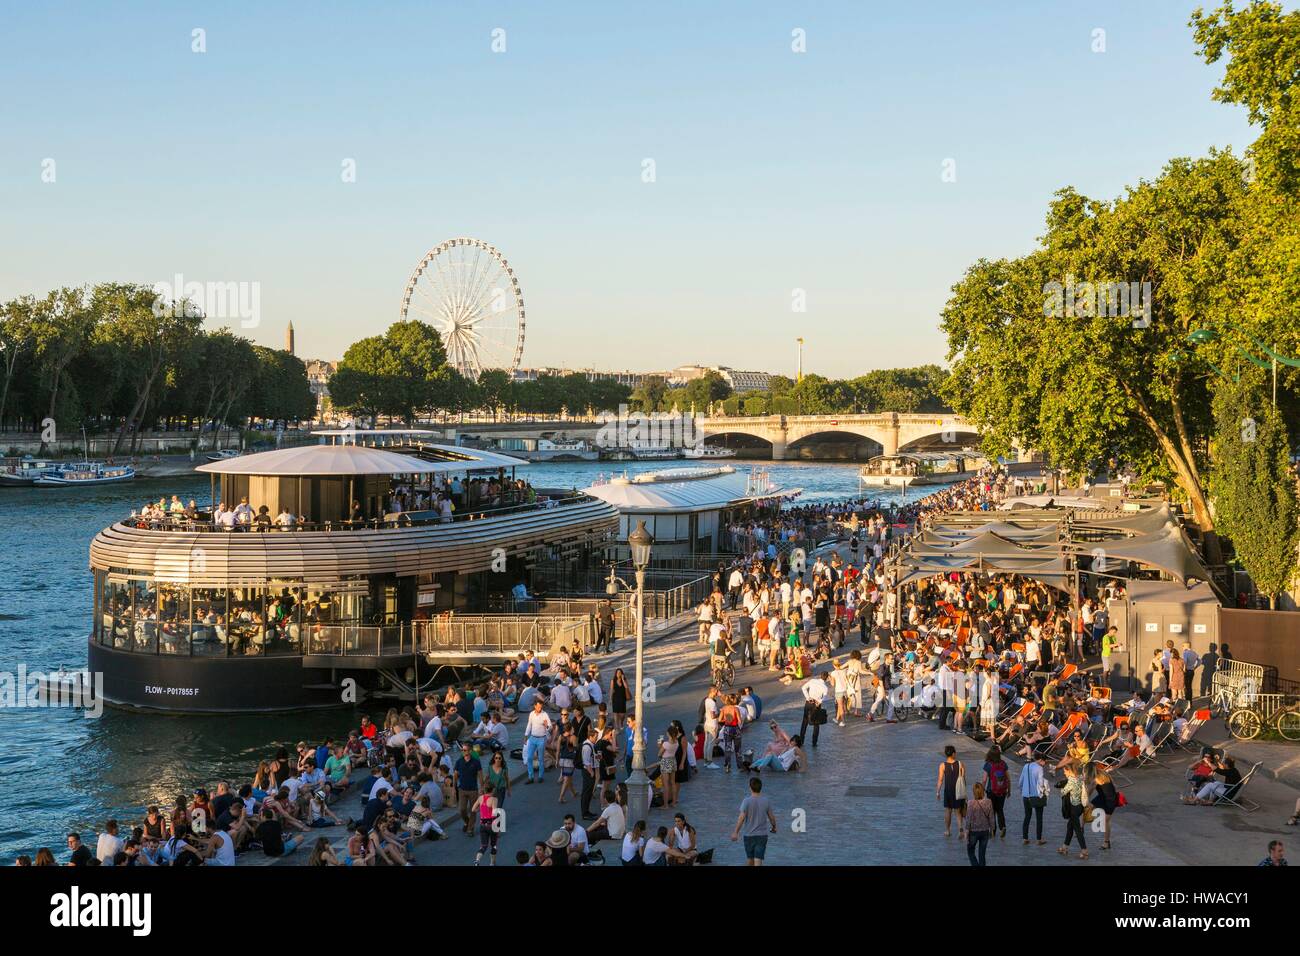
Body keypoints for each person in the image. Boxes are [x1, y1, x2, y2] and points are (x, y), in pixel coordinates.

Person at [731, 776, 777, 866]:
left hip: (749, 836)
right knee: (756, 860)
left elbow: (741, 818)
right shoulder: (766, 801)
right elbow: (772, 817)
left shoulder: (746, 801)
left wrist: (735, 832)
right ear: (760, 787)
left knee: (751, 859)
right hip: (762, 836)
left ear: (750, 787)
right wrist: (774, 827)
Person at [1059, 763, 1088, 860]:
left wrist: (1062, 786)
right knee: (1070, 827)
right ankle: (1064, 847)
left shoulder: (1071, 781)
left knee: (1077, 830)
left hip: (1073, 808)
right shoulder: (1080, 777)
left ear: (1068, 770)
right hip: (1080, 807)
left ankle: (1084, 851)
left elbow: (1063, 792)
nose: (1064, 773)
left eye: (1064, 771)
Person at [936, 745, 966, 839]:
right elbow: (963, 779)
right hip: (958, 790)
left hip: (948, 790)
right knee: (958, 812)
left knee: (948, 810)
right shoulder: (960, 763)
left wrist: (938, 791)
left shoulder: (942, 765)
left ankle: (948, 830)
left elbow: (940, 779)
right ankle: (960, 830)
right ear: (953, 753)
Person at [981, 745, 1010, 839]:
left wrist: (981, 790)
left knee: (992, 811)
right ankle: (1003, 827)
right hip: (1002, 791)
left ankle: (992, 830)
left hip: (991, 791)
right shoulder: (1003, 763)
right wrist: (1009, 790)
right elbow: (1008, 778)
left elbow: (984, 780)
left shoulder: (988, 764)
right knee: (1000, 810)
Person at [965, 782, 995, 866]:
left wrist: (966, 832)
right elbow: (992, 818)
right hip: (985, 831)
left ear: (974, 792)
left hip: (973, 832)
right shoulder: (989, 802)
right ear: (983, 791)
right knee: (982, 855)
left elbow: (968, 819)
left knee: (970, 852)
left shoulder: (970, 803)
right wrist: (992, 830)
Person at [471, 783, 500, 866]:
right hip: (491, 825)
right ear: (493, 790)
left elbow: (473, 809)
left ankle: (477, 860)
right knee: (493, 845)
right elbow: (494, 813)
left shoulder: (480, 798)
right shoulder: (494, 799)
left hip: (482, 825)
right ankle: (492, 863)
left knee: (483, 845)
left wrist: (481, 810)